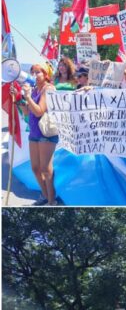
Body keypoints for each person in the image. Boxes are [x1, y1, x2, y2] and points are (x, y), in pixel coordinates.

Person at [11, 64, 58, 206]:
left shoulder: (48, 88)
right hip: (34, 132)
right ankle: (44, 195)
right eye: (33, 72)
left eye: (38, 72)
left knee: (46, 169)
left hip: (46, 133)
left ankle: (51, 201)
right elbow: (27, 112)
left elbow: (39, 111)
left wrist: (28, 96)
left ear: (46, 74)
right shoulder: (34, 89)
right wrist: (18, 98)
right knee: (35, 168)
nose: (34, 74)